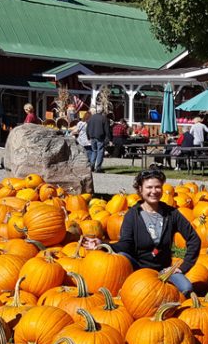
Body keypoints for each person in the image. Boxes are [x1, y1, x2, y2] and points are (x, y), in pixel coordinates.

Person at [113, 166, 200, 295]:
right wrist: (105, 246)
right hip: (138, 269)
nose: (154, 191)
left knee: (186, 288)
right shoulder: (132, 215)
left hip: (164, 270)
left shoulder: (172, 214)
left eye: (157, 187)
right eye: (149, 187)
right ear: (140, 190)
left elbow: (194, 239)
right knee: (121, 257)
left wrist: (183, 267)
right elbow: (126, 244)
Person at [86, 107, 111, 172]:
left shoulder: (91, 118)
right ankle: (98, 167)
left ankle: (92, 165)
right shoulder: (103, 118)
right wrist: (108, 137)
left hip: (92, 136)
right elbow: (107, 129)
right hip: (100, 137)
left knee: (94, 151)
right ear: (102, 111)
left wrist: (88, 136)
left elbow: (87, 128)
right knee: (100, 151)